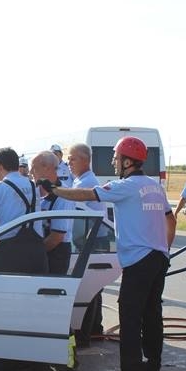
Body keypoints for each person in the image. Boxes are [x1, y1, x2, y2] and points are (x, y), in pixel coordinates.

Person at [44, 136, 176, 371]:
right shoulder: (154, 187)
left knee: (130, 316)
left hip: (138, 260)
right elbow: (170, 220)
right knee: (152, 314)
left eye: (116, 158)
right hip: (158, 258)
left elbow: (85, 194)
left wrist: (55, 190)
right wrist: (165, 249)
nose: (114, 162)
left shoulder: (125, 186)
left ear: (127, 161)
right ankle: (153, 367)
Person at [68, 143, 108, 335]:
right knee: (93, 289)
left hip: (92, 239)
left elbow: (73, 212)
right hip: (91, 237)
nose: (69, 163)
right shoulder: (80, 180)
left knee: (89, 287)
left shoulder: (85, 183)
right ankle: (94, 328)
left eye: (73, 158)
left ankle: (88, 330)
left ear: (85, 160)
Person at [29, 151, 74, 274]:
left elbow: (56, 238)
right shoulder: (34, 191)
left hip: (55, 254)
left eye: (33, 167)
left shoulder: (63, 195)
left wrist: (33, 256)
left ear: (47, 168)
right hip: (41, 249)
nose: (30, 171)